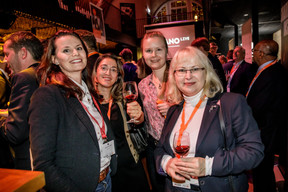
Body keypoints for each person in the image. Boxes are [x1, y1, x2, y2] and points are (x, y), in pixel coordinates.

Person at [154, 46, 264, 192]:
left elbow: (254, 152)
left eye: (195, 69)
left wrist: (208, 166)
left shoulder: (231, 104)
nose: (188, 76)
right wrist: (166, 163)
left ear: (206, 72)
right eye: (181, 70)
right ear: (173, 76)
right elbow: (160, 149)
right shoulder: (173, 111)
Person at [28, 31, 117, 192]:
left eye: (79, 48)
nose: (75, 53)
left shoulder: (89, 91)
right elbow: (43, 165)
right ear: (54, 59)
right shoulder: (48, 96)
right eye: (66, 50)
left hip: (106, 180)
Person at [92, 53, 150, 192]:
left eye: (113, 69)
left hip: (130, 166)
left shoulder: (124, 100)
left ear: (118, 75)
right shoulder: (88, 104)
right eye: (104, 68)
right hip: (106, 171)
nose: (108, 73)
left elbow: (140, 124)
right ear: (96, 72)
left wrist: (140, 118)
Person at [247, 40, 288, 192]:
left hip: (265, 131)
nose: (253, 54)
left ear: (261, 53)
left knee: (262, 170)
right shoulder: (268, 70)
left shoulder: (273, 73)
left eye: (255, 51)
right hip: (264, 129)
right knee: (262, 170)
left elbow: (260, 105)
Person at [0, 31, 43, 170]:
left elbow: (14, 133)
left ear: (23, 53)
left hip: (29, 162)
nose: (5, 60)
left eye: (7, 54)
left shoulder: (24, 78)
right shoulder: (45, 73)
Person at [138, 31, 173, 192]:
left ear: (167, 51)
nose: (154, 55)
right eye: (148, 50)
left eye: (158, 49)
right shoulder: (142, 85)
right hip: (155, 148)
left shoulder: (180, 78)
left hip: (180, 147)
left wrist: (174, 109)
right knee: (159, 188)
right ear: (143, 54)